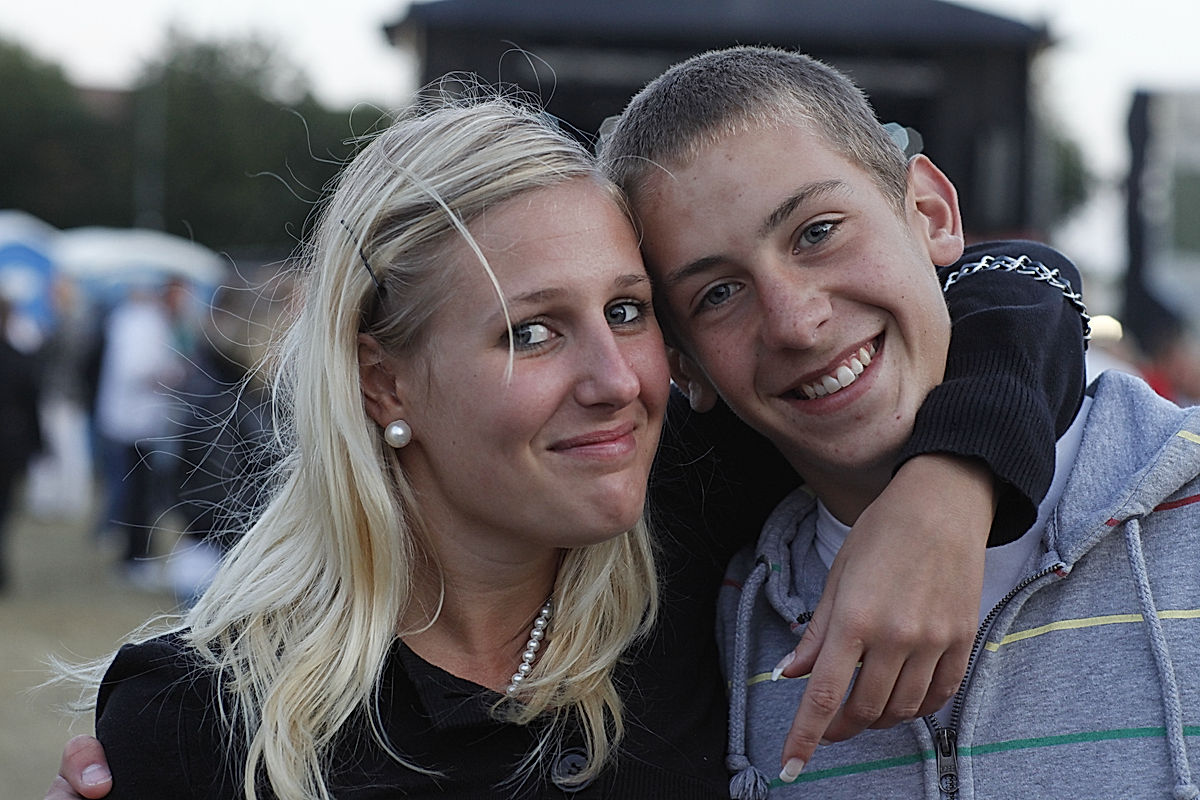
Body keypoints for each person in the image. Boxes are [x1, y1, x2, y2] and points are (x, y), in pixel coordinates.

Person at [47, 97, 1090, 797]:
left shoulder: (680, 523)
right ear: (383, 378)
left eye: (630, 311)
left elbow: (1008, 281)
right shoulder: (201, 715)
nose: (615, 381)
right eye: (530, 330)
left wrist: (949, 492)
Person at [600, 45, 1199, 798]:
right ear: (684, 366)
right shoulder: (712, 618)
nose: (797, 322)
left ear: (931, 214)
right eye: (718, 293)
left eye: (817, 233)